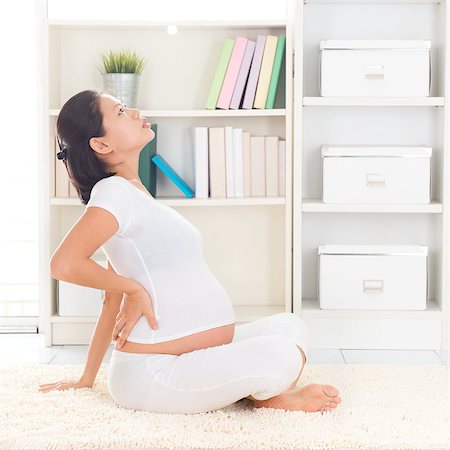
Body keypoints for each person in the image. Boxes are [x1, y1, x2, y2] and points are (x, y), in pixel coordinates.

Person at [39, 89, 342, 415]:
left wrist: (88, 376)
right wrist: (131, 288)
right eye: (121, 112)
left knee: (288, 327)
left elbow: (110, 302)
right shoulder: (113, 192)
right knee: (280, 355)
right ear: (101, 144)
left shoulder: (132, 195)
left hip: (186, 358)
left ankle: (253, 390)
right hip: (154, 373)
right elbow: (64, 263)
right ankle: (269, 395)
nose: (136, 111)